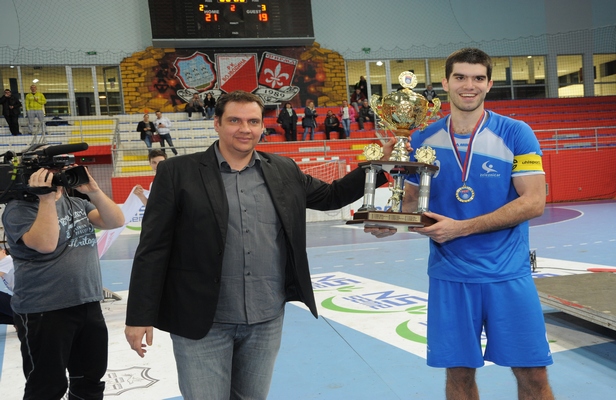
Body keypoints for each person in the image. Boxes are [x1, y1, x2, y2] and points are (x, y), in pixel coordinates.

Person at [124, 90, 392, 400]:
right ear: (217, 123)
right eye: (234, 120)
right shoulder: (178, 172)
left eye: (253, 121)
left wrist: (378, 166)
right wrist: (139, 315)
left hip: (265, 318)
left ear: (263, 126)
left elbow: (332, 196)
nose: (245, 129)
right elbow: (153, 247)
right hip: (201, 320)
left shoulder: (283, 169)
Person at [366, 48, 554, 400]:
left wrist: (462, 228)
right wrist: (388, 220)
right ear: (445, 83)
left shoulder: (516, 133)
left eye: (478, 78)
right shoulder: (420, 140)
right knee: (459, 375)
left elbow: (534, 201)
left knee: (533, 374)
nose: (470, 86)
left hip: (507, 274)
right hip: (450, 276)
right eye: (461, 77)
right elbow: (411, 203)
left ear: (489, 84)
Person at [2, 160, 125, 399]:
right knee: (46, 387)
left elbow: (116, 221)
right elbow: (45, 244)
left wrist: (94, 191)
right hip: (44, 311)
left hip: (87, 303)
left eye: (59, 173)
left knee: (89, 380)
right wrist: (46, 199)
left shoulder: (77, 203)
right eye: (50, 174)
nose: (57, 179)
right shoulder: (18, 209)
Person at [0, 248, 15, 325]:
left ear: (3, 251)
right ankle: (19, 321)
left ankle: (21, 320)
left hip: (27, 301)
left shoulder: (7, 260)